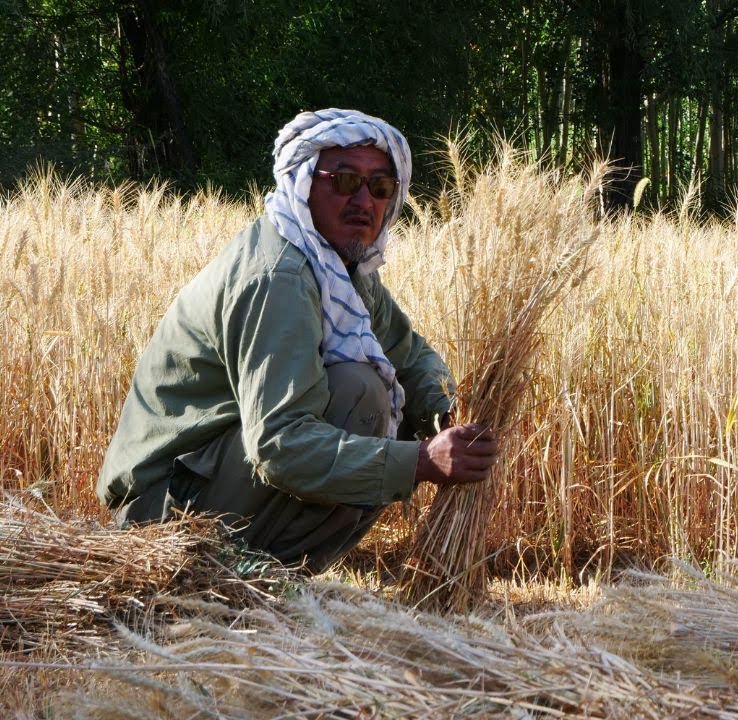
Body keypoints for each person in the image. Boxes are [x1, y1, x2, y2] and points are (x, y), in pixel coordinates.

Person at [96, 108, 498, 573]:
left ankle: (268, 582)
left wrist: (445, 411)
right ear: (304, 183)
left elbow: (408, 355)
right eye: (344, 181)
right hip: (161, 514)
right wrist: (420, 462)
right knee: (361, 392)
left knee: (392, 390)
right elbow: (280, 445)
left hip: (205, 484)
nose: (364, 201)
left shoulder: (340, 268)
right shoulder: (279, 276)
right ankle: (242, 577)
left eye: (380, 187)